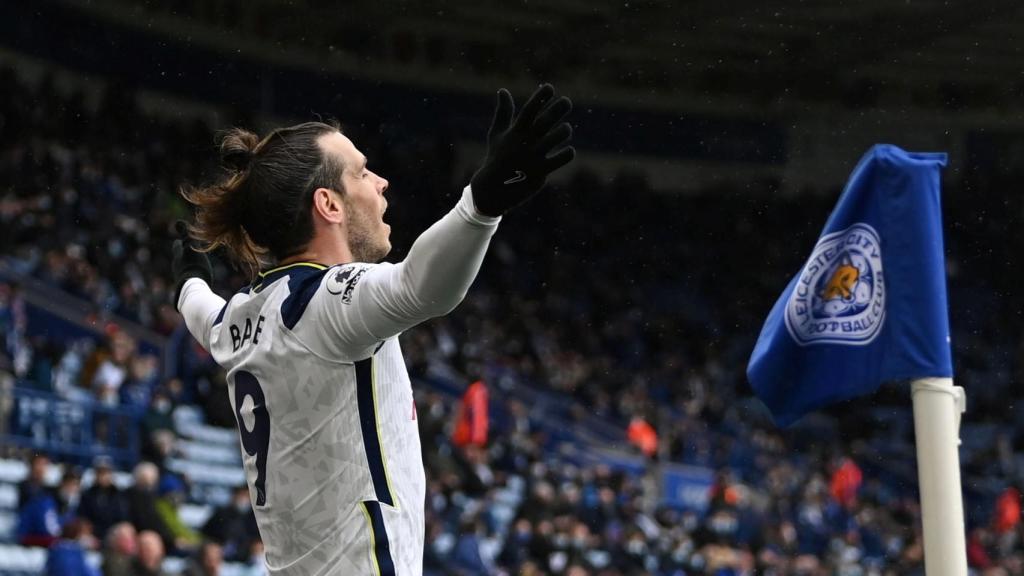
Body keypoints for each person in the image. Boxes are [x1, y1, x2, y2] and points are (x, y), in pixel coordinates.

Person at [173, 84, 574, 574]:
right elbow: (421, 288)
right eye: (362, 172)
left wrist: (188, 281)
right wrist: (479, 205)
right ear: (329, 204)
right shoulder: (324, 304)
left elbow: (201, 311)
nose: (381, 182)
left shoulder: (238, 318)